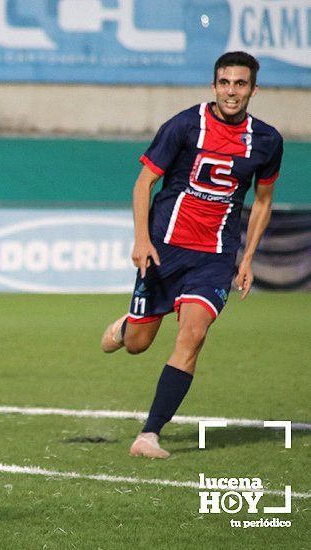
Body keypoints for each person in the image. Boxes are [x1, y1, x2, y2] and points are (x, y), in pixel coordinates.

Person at [100, 52, 283, 458]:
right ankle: (128, 326)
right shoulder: (185, 125)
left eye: (240, 84)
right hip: (164, 250)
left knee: (193, 335)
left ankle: (149, 435)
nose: (231, 91)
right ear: (214, 85)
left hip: (215, 258)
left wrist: (247, 258)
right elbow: (143, 183)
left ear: (254, 89)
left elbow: (264, 201)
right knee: (138, 345)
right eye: (224, 83)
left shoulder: (267, 140)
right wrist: (141, 240)